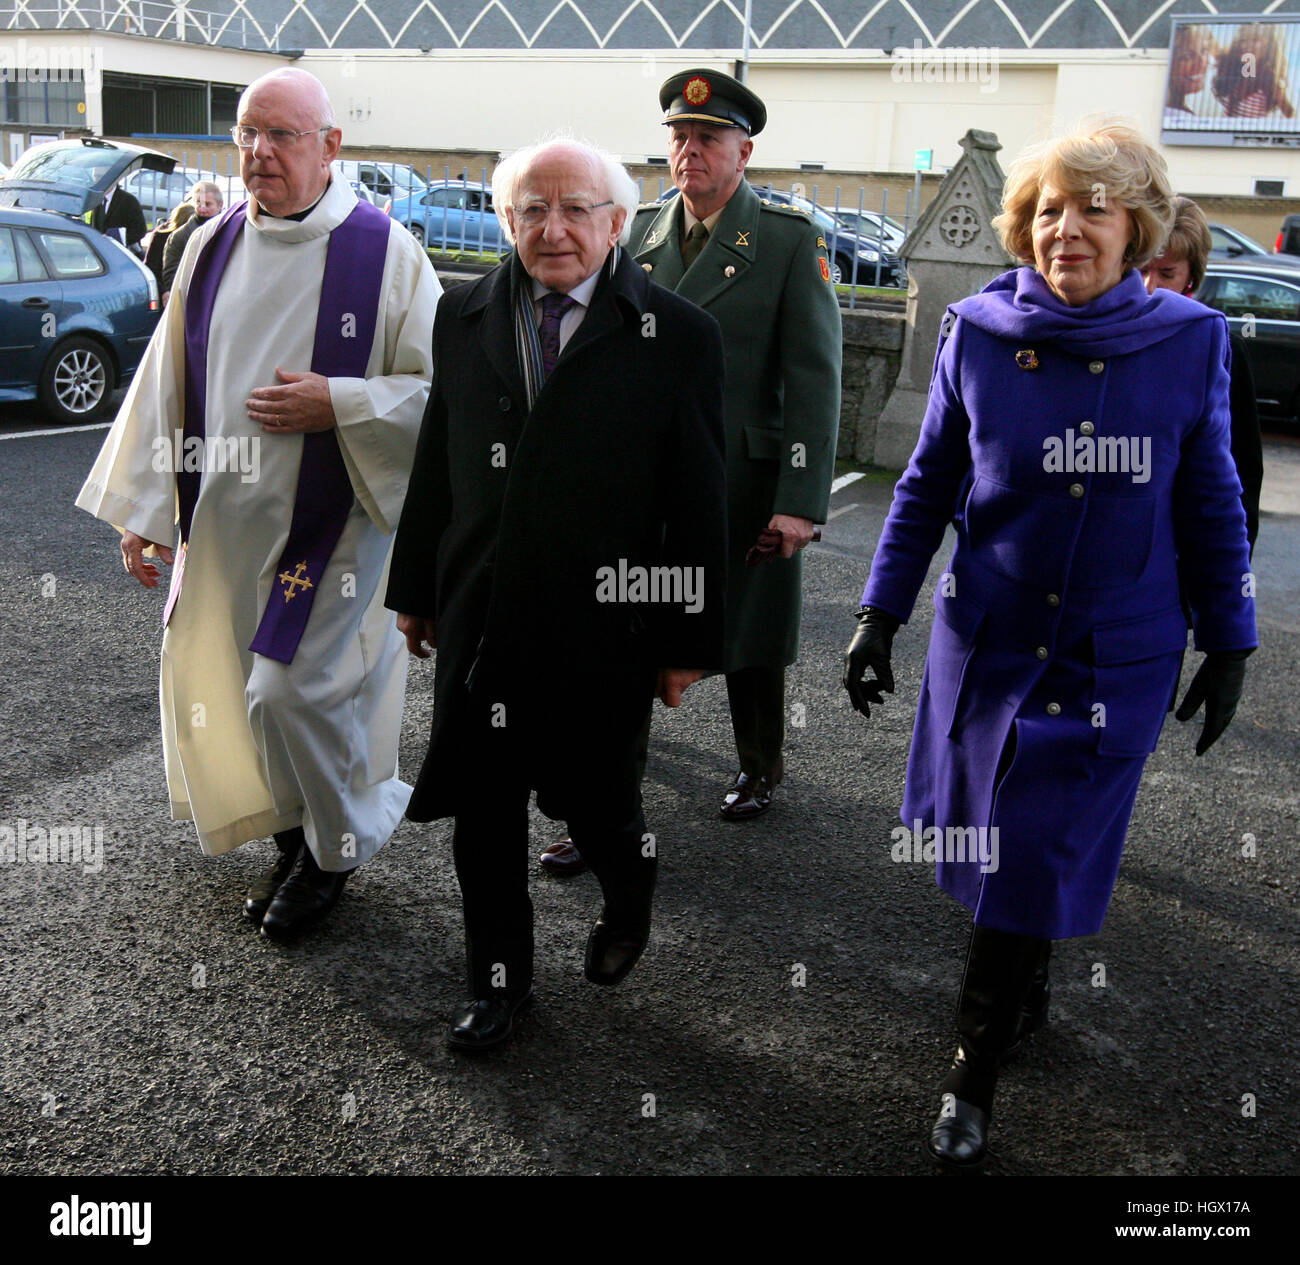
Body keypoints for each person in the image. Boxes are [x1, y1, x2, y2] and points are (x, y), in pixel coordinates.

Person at [842, 121, 1256, 1169]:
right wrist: (878, 612)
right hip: (989, 639)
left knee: (1028, 850)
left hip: (1113, 655)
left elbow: (1210, 501)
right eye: (1047, 211)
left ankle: (968, 1070)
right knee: (983, 841)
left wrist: (1232, 640)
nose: (1066, 229)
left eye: (1094, 209)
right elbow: (928, 482)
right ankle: (1021, 981)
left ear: (1137, 228)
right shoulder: (977, 330)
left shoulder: (1189, 339)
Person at [75, 68, 440, 942]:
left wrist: (341, 404)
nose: (258, 153)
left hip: (336, 527)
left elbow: (437, 395)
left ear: (331, 147)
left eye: (281, 136)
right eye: (247, 134)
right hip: (229, 527)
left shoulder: (385, 253)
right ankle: (293, 833)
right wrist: (145, 510)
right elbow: (167, 380)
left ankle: (332, 856)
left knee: (289, 692)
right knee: (239, 689)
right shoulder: (211, 244)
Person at [386, 139, 727, 1051]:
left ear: (618, 224)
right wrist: (416, 588)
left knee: (601, 807)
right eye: (533, 210)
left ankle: (629, 892)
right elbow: (436, 468)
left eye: (577, 209)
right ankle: (500, 985)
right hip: (482, 620)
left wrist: (687, 640)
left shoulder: (679, 335)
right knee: (484, 821)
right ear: (506, 221)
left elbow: (698, 504)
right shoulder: (463, 315)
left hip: (603, 631)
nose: (554, 229)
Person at [538, 69, 840, 881]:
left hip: (743, 475)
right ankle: (603, 807)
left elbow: (813, 380)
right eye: (678, 137)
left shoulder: (785, 240)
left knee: (747, 637)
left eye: (707, 138)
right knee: (623, 633)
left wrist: (800, 501)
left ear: (745, 150)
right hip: (645, 481)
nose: (689, 151)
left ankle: (759, 762)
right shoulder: (634, 233)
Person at [1142, 195, 1263, 553]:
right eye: (1141, 269)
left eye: (1167, 273)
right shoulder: (1103, 334)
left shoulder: (1223, 346)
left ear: (1190, 279)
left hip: (1187, 546)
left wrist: (1235, 563)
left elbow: (1243, 467)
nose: (1150, 285)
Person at [161, 181, 225, 302]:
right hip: (192, 299)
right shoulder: (180, 236)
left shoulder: (230, 230)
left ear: (220, 205)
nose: (202, 209)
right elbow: (171, 272)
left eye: (208, 204)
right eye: (199, 204)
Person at [142, 199, 194, 292]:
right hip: (167, 287)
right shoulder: (162, 235)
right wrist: (164, 291)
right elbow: (152, 266)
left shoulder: (160, 234)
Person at [92, 178, 147, 253]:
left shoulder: (129, 201)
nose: (96, 180)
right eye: (95, 176)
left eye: (99, 176)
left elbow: (140, 230)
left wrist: (118, 237)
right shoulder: (97, 200)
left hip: (123, 255)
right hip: (102, 254)